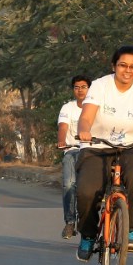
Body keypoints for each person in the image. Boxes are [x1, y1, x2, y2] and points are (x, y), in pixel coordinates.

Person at [74, 46, 133, 261]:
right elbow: (86, 117)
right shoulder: (99, 86)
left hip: (131, 147)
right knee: (87, 191)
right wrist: (84, 131)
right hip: (97, 147)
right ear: (113, 66)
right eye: (123, 65)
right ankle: (87, 235)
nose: (127, 70)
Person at [56, 75, 91, 240]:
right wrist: (62, 141)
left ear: (89, 89)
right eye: (77, 87)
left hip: (92, 152)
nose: (80, 90)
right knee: (69, 185)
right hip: (72, 150)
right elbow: (63, 127)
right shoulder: (67, 108)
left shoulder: (96, 108)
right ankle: (70, 222)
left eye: (84, 86)